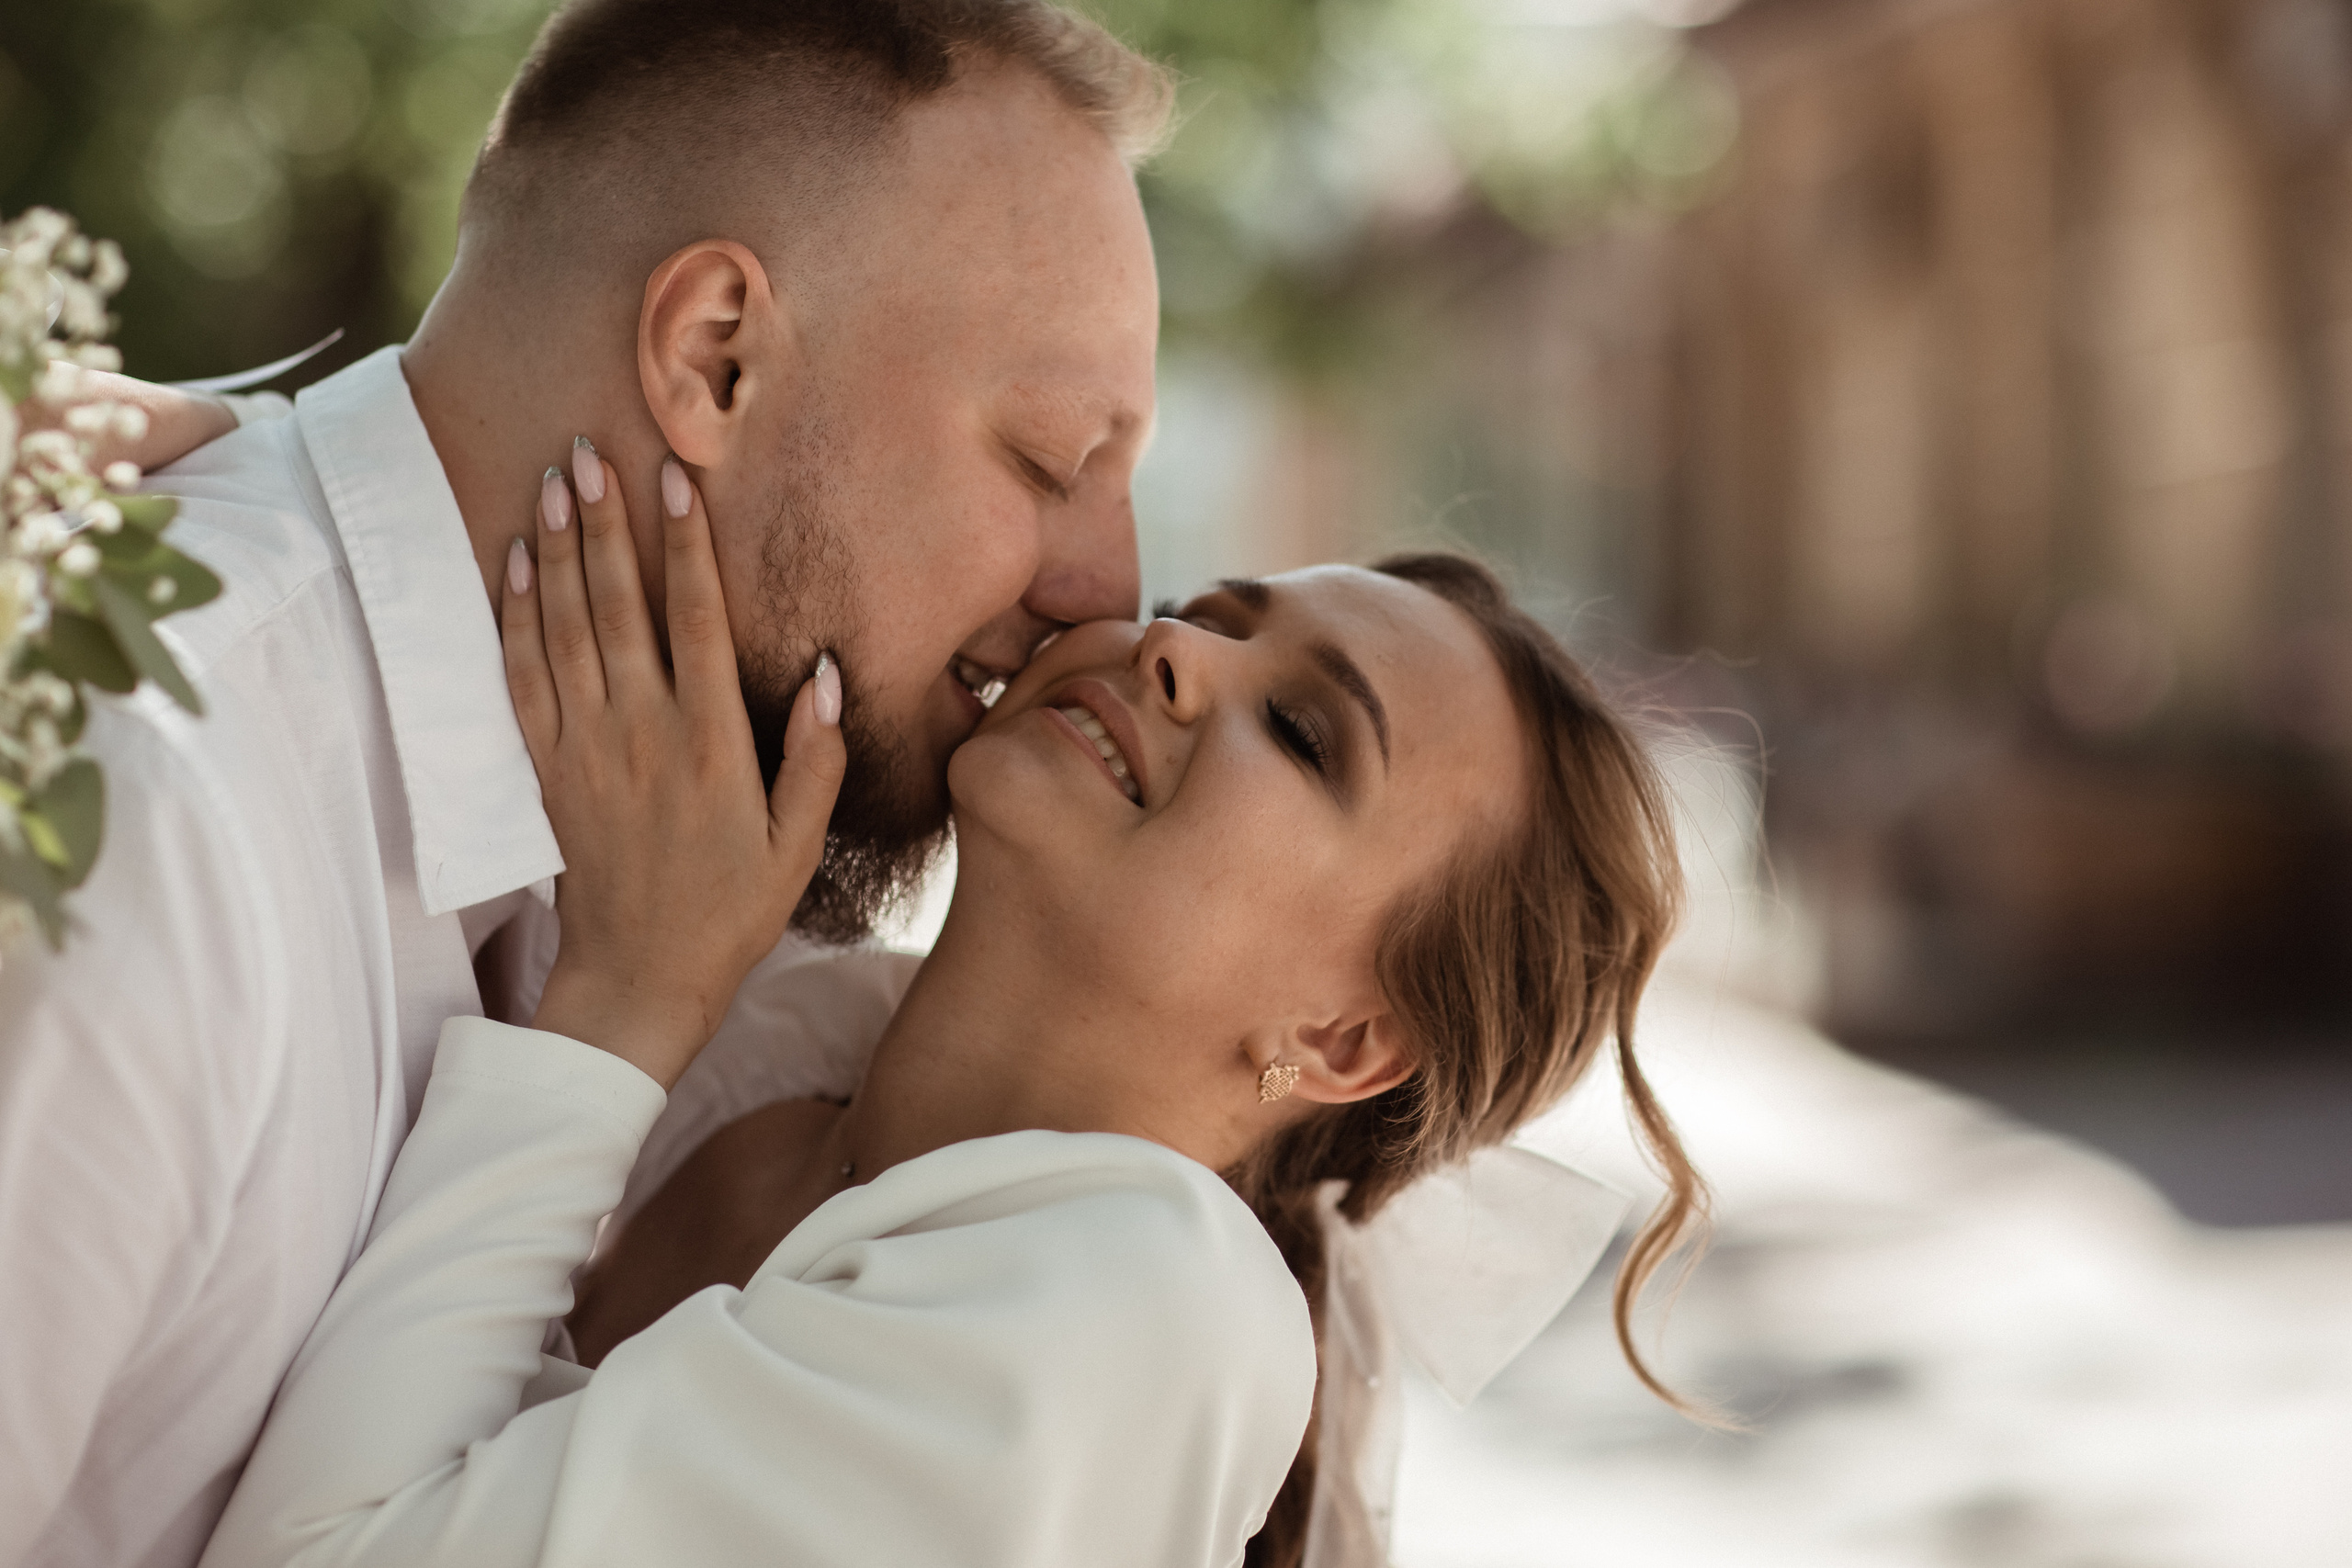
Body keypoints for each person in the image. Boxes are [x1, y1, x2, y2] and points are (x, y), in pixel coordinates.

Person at [0, 5, 1169, 1565]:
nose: (1111, 594)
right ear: (716, 358)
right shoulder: (156, 807)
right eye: (1048, 462)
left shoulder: (649, 870)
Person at [196, 457, 1704, 1568]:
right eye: (1206, 614)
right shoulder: (770, 1072)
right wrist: (248, 467)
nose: (1177, 652)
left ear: (1344, 1042)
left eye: (1303, 735)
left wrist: (626, 1003)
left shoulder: (1152, 1307)